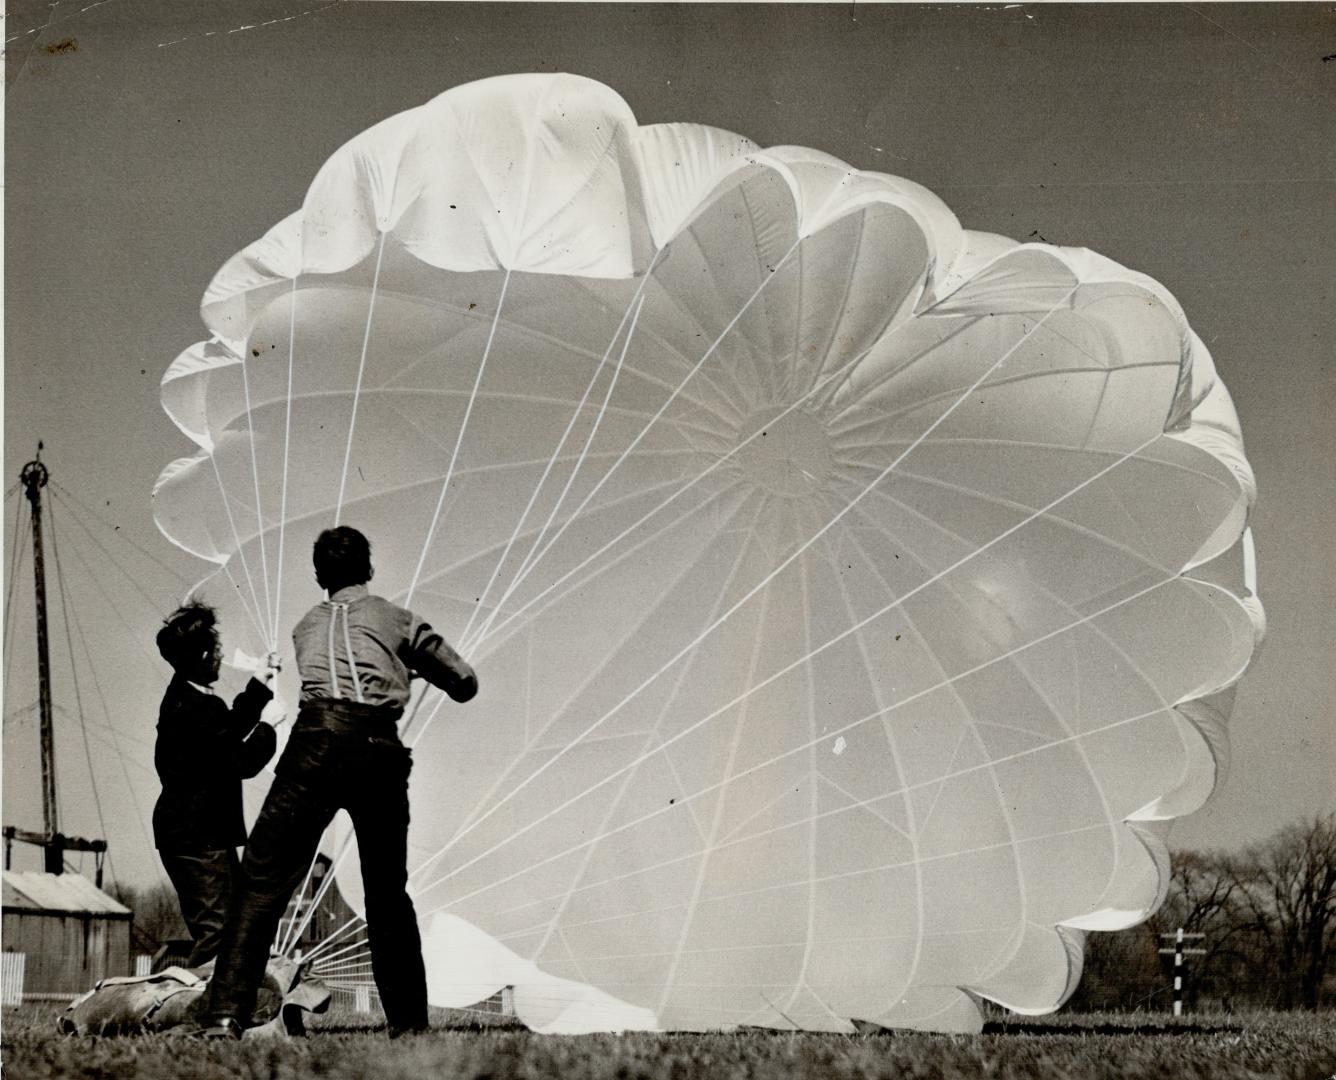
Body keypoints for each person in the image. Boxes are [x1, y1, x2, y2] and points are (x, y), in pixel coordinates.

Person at [206, 526, 478, 1039]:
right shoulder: (398, 619)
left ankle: (223, 1015)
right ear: (369, 569)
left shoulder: (305, 626)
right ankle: (410, 1026)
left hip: (313, 746)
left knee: (261, 882)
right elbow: (464, 683)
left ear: (318, 576)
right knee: (386, 892)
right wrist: (406, 664)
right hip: (378, 750)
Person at [153, 601, 281, 968]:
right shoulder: (194, 707)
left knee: (232, 925)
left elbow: (229, 728)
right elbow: (238, 761)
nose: (222, 656)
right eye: (218, 650)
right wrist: (270, 729)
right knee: (218, 932)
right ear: (205, 655)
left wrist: (260, 682)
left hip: (198, 835)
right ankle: (198, 1014)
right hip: (196, 838)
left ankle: (220, 1009)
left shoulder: (189, 698)